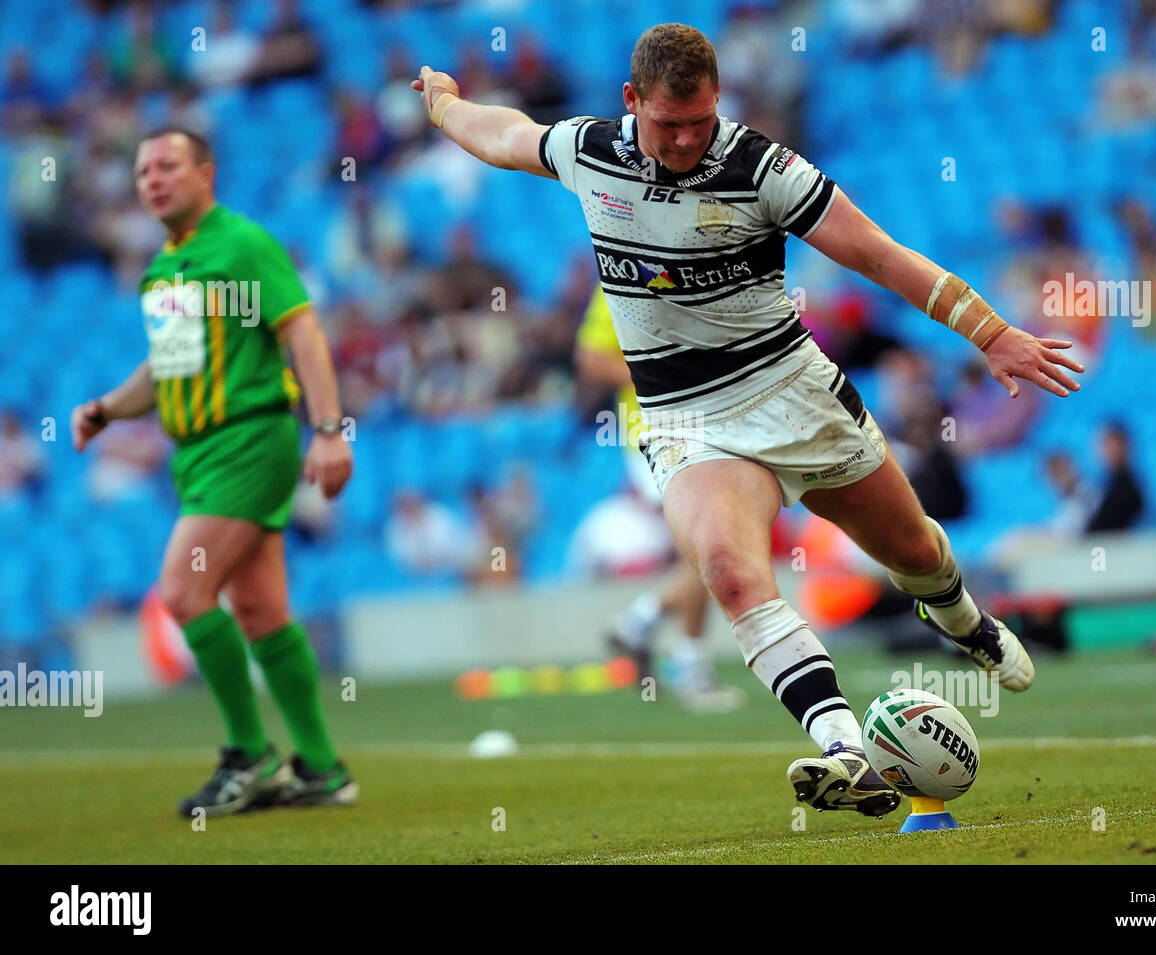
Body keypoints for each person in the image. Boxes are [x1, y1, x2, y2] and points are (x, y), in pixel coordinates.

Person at [413, 23, 1083, 819]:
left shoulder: (763, 168)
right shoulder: (588, 151)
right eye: (670, 124)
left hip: (793, 395)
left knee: (918, 553)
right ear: (632, 103)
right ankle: (845, 750)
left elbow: (877, 254)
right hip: (688, 420)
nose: (690, 139)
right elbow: (504, 136)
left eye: (702, 119)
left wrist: (991, 332)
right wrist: (447, 106)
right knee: (729, 572)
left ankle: (964, 621)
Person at [71, 128, 358, 818]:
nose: (153, 180)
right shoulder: (165, 269)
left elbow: (301, 330)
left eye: (168, 165)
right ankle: (321, 767)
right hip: (196, 454)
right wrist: (107, 408)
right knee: (260, 611)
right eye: (142, 171)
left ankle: (248, 754)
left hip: (250, 440)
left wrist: (328, 429)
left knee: (182, 588)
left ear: (206, 173)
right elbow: (166, 370)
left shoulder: (242, 243)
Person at [576, 286, 744, 712]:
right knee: (708, 546)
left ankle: (644, 625)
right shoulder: (619, 281)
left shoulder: (697, 270)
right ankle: (684, 662)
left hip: (704, 426)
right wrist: (657, 372)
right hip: (653, 433)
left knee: (708, 547)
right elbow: (592, 359)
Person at [1085, 421, 1144, 533]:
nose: (1108, 451)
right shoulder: (1105, 483)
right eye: (1105, 445)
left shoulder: (1127, 488)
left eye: (1111, 445)